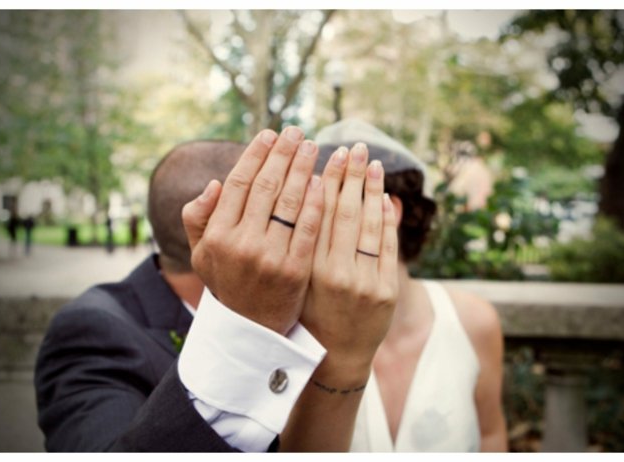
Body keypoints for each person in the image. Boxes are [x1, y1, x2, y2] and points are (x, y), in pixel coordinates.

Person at [35, 128, 397, 452]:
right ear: (227, 231)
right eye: (297, 210)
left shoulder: (321, 316)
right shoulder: (93, 331)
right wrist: (246, 324)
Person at [311, 119, 508, 452]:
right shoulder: (294, 330)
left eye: (326, 203)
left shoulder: (475, 323)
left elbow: (490, 435)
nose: (307, 221)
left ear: (386, 209)